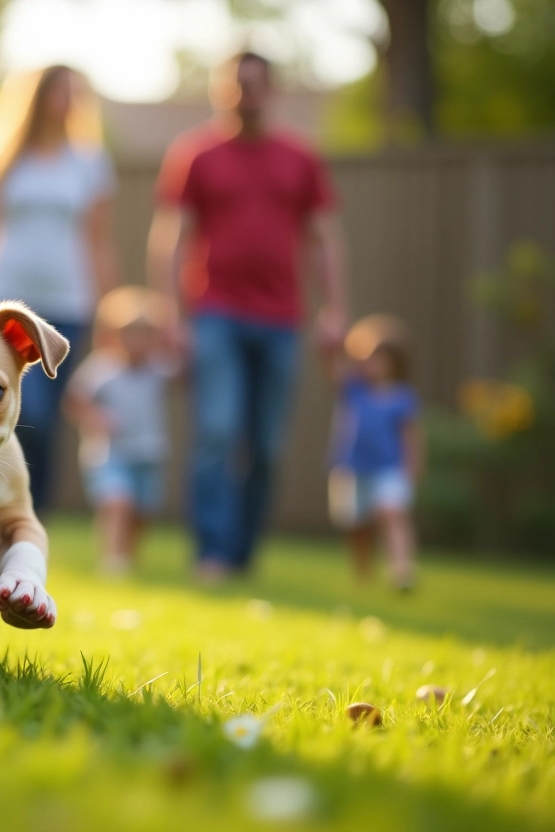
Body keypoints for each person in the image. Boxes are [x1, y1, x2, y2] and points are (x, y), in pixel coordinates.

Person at [147, 51, 348, 581]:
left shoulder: (300, 158)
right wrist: (172, 315)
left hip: (281, 319)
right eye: (236, 84)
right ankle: (212, 552)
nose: (246, 94)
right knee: (216, 431)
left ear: (272, 90)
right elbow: (172, 237)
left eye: (256, 84)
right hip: (214, 313)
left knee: (265, 446)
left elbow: (324, 239)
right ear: (220, 90)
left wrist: (335, 310)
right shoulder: (197, 154)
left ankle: (242, 553)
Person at [0, 64, 120, 513]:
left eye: (76, 94)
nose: (69, 102)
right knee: (21, 410)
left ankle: (33, 515)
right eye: (61, 93)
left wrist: (112, 310)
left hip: (67, 306)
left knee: (46, 421)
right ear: (37, 98)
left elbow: (98, 241)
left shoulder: (90, 163)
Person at [64, 286, 178, 575]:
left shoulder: (158, 369)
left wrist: (173, 335)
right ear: (113, 335)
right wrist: (95, 417)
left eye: (144, 335)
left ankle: (129, 554)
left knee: (143, 511)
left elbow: (186, 373)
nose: (136, 342)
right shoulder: (102, 368)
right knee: (117, 502)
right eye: (129, 334)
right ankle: (113, 560)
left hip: (149, 452)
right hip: (110, 452)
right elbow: (74, 399)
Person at [327, 314, 423, 590]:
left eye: (380, 358)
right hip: (352, 468)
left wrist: (412, 468)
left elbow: (412, 438)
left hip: (390, 469)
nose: (373, 365)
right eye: (367, 358)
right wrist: (331, 344)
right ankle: (364, 571)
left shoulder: (403, 398)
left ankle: (402, 570)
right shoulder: (354, 390)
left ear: (395, 362)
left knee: (393, 514)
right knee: (356, 525)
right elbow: (331, 370)